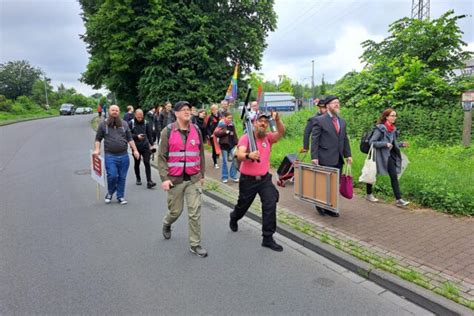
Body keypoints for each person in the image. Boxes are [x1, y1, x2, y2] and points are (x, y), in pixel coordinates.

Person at [229, 112, 286, 252]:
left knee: (270, 203)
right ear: (254, 123)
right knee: (243, 206)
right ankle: (234, 217)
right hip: (248, 180)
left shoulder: (269, 138)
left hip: (265, 179)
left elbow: (281, 132)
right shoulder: (246, 138)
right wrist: (249, 155)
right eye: (260, 121)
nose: (263, 124)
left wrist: (277, 119)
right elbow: (239, 154)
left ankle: (267, 238)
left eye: (266, 122)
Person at [157, 101, 207, 258]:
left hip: (193, 179)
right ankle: (167, 223)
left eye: (189, 109)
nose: (187, 112)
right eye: (183, 110)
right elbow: (161, 156)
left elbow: (201, 154)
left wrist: (202, 175)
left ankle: (195, 244)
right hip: (175, 180)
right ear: (176, 113)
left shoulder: (196, 130)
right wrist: (164, 178)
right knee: (176, 211)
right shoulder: (168, 131)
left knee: (195, 212)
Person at [310, 95, 352, 217]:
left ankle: (331, 207)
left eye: (338, 103)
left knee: (334, 185)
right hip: (324, 157)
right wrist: (314, 156)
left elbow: (345, 139)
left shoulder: (342, 121)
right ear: (328, 106)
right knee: (324, 184)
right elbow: (315, 139)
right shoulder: (320, 120)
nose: (337, 105)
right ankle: (320, 204)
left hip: (338, 158)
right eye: (334, 103)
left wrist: (348, 155)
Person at [93, 105, 140, 205]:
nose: (115, 112)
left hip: (124, 156)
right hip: (110, 156)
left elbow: (130, 139)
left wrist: (135, 150)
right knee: (113, 176)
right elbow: (98, 139)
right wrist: (97, 149)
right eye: (113, 110)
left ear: (119, 112)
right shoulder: (103, 125)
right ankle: (110, 192)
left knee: (122, 177)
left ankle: (120, 196)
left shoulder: (124, 124)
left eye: (117, 110)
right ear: (109, 112)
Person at [365, 108, 410, 207]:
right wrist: (385, 144)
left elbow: (393, 144)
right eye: (392, 116)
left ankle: (399, 199)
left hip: (388, 156)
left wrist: (401, 144)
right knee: (373, 174)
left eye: (395, 115)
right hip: (378, 156)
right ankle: (368, 194)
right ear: (386, 117)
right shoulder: (380, 128)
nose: (394, 117)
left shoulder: (393, 129)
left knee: (394, 176)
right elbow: (372, 142)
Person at [129, 109, 156, 189]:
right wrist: (137, 136)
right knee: (137, 162)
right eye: (138, 114)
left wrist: (152, 144)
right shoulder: (131, 123)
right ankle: (138, 178)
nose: (140, 116)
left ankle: (149, 181)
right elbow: (128, 135)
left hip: (145, 146)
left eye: (141, 114)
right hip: (135, 147)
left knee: (147, 162)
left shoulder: (146, 122)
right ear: (135, 114)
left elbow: (149, 134)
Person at [213, 111, 239, 183]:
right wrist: (225, 132)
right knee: (225, 161)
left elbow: (234, 134)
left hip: (232, 144)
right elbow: (216, 133)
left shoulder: (232, 124)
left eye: (231, 118)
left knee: (235, 159)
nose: (230, 119)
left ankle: (233, 175)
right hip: (224, 145)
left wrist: (237, 142)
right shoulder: (221, 124)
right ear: (224, 118)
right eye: (228, 118)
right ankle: (224, 177)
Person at [206, 104, 221, 168]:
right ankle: (215, 163)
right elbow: (207, 127)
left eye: (216, 109)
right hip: (213, 135)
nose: (215, 110)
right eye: (213, 109)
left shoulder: (220, 116)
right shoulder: (209, 117)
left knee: (220, 148)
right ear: (211, 110)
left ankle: (218, 156)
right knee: (214, 149)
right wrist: (210, 135)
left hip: (219, 134)